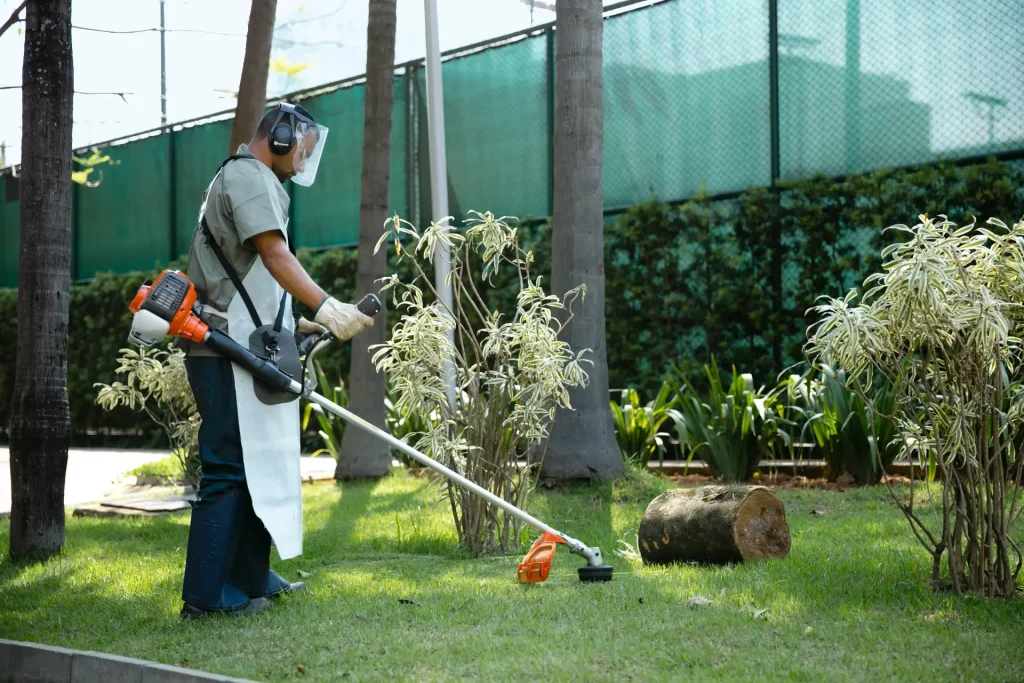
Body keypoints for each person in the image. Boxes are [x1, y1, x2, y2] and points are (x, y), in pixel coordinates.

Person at [177, 102, 373, 619]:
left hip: (248, 343)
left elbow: (253, 280)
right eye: (304, 146)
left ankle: (248, 577)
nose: (307, 157)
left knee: (258, 464)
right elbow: (271, 254)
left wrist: (296, 322)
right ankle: (205, 597)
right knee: (227, 467)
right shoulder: (247, 175)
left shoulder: (258, 180)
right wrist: (325, 305)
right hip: (220, 350)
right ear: (281, 135)